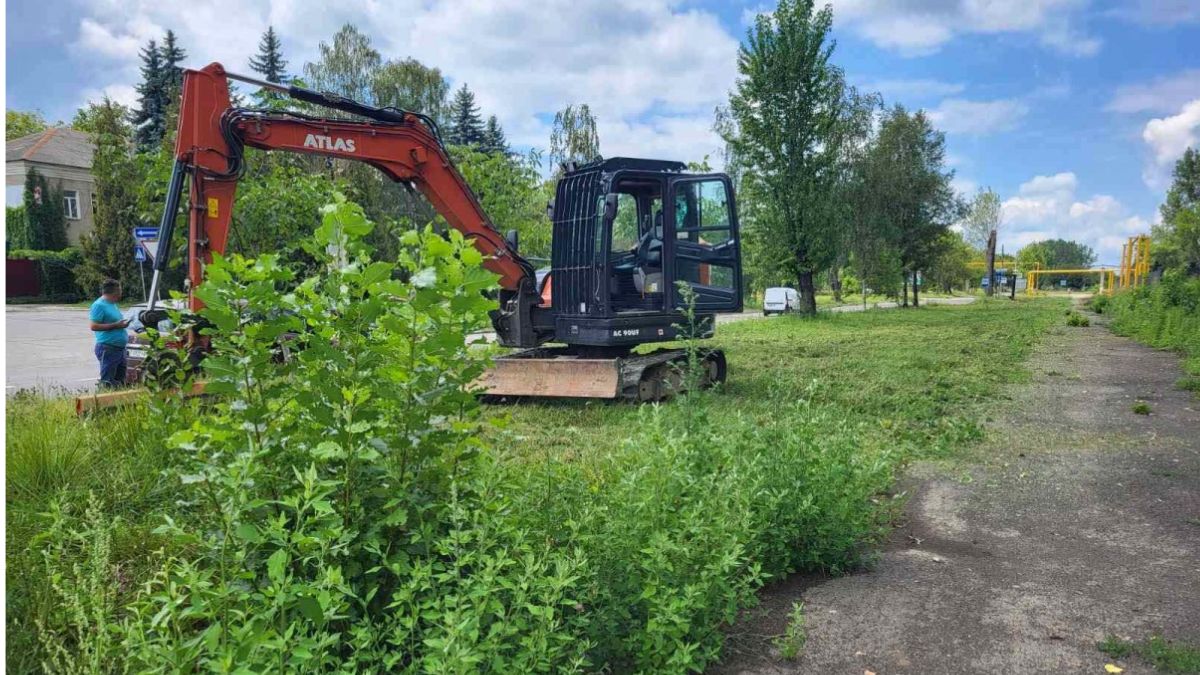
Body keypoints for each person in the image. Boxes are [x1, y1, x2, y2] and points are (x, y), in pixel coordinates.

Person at [89, 279, 131, 388]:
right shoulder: (98, 305)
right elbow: (93, 326)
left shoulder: (113, 304)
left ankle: (120, 403)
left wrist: (123, 324)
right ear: (115, 292)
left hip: (120, 349)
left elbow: (116, 322)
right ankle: (105, 402)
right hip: (108, 348)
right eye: (120, 290)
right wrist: (116, 325)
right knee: (108, 382)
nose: (121, 293)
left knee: (120, 381)